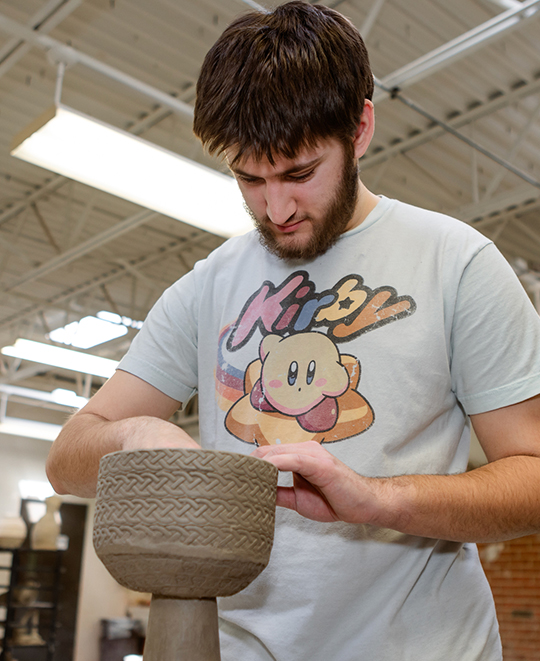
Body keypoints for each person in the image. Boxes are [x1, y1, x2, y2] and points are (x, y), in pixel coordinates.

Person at [46, 2, 540, 659]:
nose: (275, 208)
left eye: (300, 173)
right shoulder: (207, 285)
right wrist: (137, 433)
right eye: (249, 178)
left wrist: (373, 500)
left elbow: (531, 477)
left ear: (360, 127)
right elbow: (67, 457)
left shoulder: (457, 263)